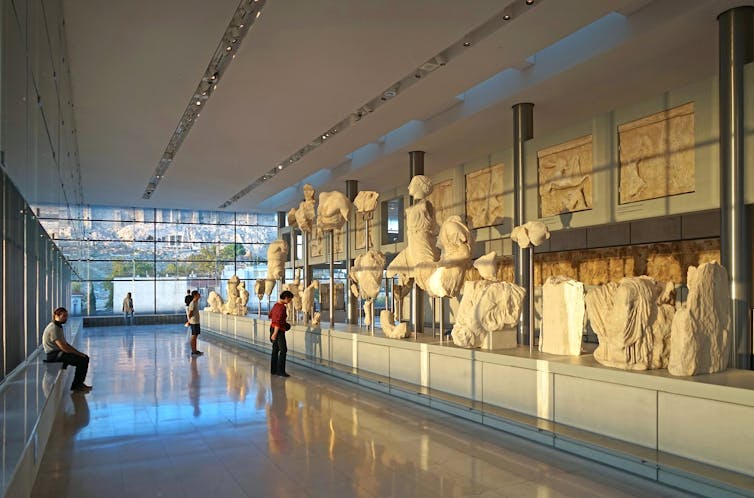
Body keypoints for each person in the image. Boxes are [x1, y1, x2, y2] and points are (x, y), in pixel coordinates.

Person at [43, 307, 92, 393]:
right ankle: (77, 386)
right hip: (54, 356)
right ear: (56, 316)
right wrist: (78, 354)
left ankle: (79, 384)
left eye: (66, 316)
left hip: (58, 353)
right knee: (83, 360)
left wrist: (78, 353)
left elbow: (65, 344)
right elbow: (63, 347)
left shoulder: (57, 326)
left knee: (83, 357)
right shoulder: (54, 328)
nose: (66, 318)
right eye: (64, 316)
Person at [269, 290, 293, 377]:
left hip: (272, 328)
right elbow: (278, 321)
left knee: (275, 349)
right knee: (283, 350)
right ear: (286, 298)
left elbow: (270, 315)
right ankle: (281, 371)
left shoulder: (275, 305)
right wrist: (275, 333)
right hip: (278, 330)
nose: (289, 301)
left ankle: (273, 370)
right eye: (289, 299)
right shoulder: (282, 307)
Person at [187, 290, 203, 355]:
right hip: (194, 322)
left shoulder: (196, 302)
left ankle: (195, 350)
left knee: (195, 336)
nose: (199, 295)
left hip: (196, 321)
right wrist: (189, 321)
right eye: (198, 294)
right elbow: (189, 314)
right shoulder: (192, 303)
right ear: (195, 295)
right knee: (194, 336)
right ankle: (193, 351)